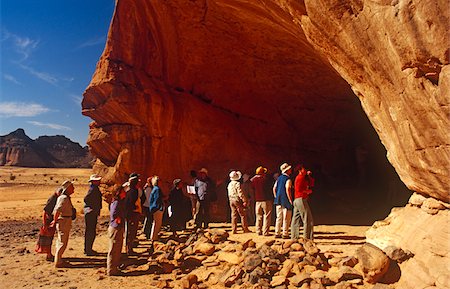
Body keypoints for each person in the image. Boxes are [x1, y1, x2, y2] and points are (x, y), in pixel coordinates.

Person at [51, 180, 75, 268]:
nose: (74, 189)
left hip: (65, 220)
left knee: (61, 241)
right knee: (62, 242)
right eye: (72, 187)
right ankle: (58, 262)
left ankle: (59, 259)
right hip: (64, 221)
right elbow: (57, 210)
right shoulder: (63, 198)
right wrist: (55, 220)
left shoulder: (65, 197)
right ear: (68, 188)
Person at [35, 186, 62, 261]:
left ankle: (49, 254)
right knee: (47, 238)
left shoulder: (56, 198)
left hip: (50, 221)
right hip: (48, 221)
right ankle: (49, 255)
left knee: (49, 238)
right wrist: (45, 224)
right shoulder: (53, 199)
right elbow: (45, 211)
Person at [291, 165, 315, 240]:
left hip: (297, 199)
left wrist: (309, 176)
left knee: (296, 219)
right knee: (307, 219)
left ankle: (294, 237)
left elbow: (311, 183)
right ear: (300, 170)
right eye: (304, 169)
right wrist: (307, 191)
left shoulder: (302, 178)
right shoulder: (300, 178)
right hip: (301, 199)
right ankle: (307, 238)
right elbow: (298, 189)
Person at [107, 185, 126, 276]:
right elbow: (114, 213)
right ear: (119, 192)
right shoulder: (116, 202)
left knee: (117, 249)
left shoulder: (118, 201)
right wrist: (118, 219)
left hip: (117, 227)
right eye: (123, 191)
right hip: (115, 227)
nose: (125, 193)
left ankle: (114, 268)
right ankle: (111, 270)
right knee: (114, 249)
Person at [83, 174, 103, 256]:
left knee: (90, 231)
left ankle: (88, 249)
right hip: (91, 213)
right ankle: (88, 250)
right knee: (90, 231)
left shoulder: (94, 188)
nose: (99, 181)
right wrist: (92, 208)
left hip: (90, 212)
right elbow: (86, 199)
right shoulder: (93, 189)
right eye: (98, 180)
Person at [251, 166, 273, 236]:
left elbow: (252, 189)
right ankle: (265, 232)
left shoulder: (253, 180)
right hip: (266, 200)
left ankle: (258, 231)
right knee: (267, 216)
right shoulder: (266, 180)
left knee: (258, 216)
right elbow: (269, 189)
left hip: (257, 200)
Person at [273, 163, 293, 239]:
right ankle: (285, 233)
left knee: (279, 217)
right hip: (285, 200)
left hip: (278, 200)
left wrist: (276, 196)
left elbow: (274, 188)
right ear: (287, 170)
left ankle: (277, 232)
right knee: (286, 218)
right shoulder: (288, 179)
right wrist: (290, 199)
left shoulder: (278, 178)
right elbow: (288, 188)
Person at [124, 173, 141, 256]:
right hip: (132, 214)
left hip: (130, 214)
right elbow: (130, 203)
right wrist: (135, 208)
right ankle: (128, 249)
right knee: (130, 232)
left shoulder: (131, 190)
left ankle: (129, 248)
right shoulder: (133, 191)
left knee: (131, 231)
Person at [149, 176, 164, 251]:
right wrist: (159, 207)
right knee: (157, 224)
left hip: (154, 208)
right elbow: (157, 199)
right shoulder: (157, 189)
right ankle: (154, 238)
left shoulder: (154, 188)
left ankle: (154, 237)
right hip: (157, 209)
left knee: (155, 223)